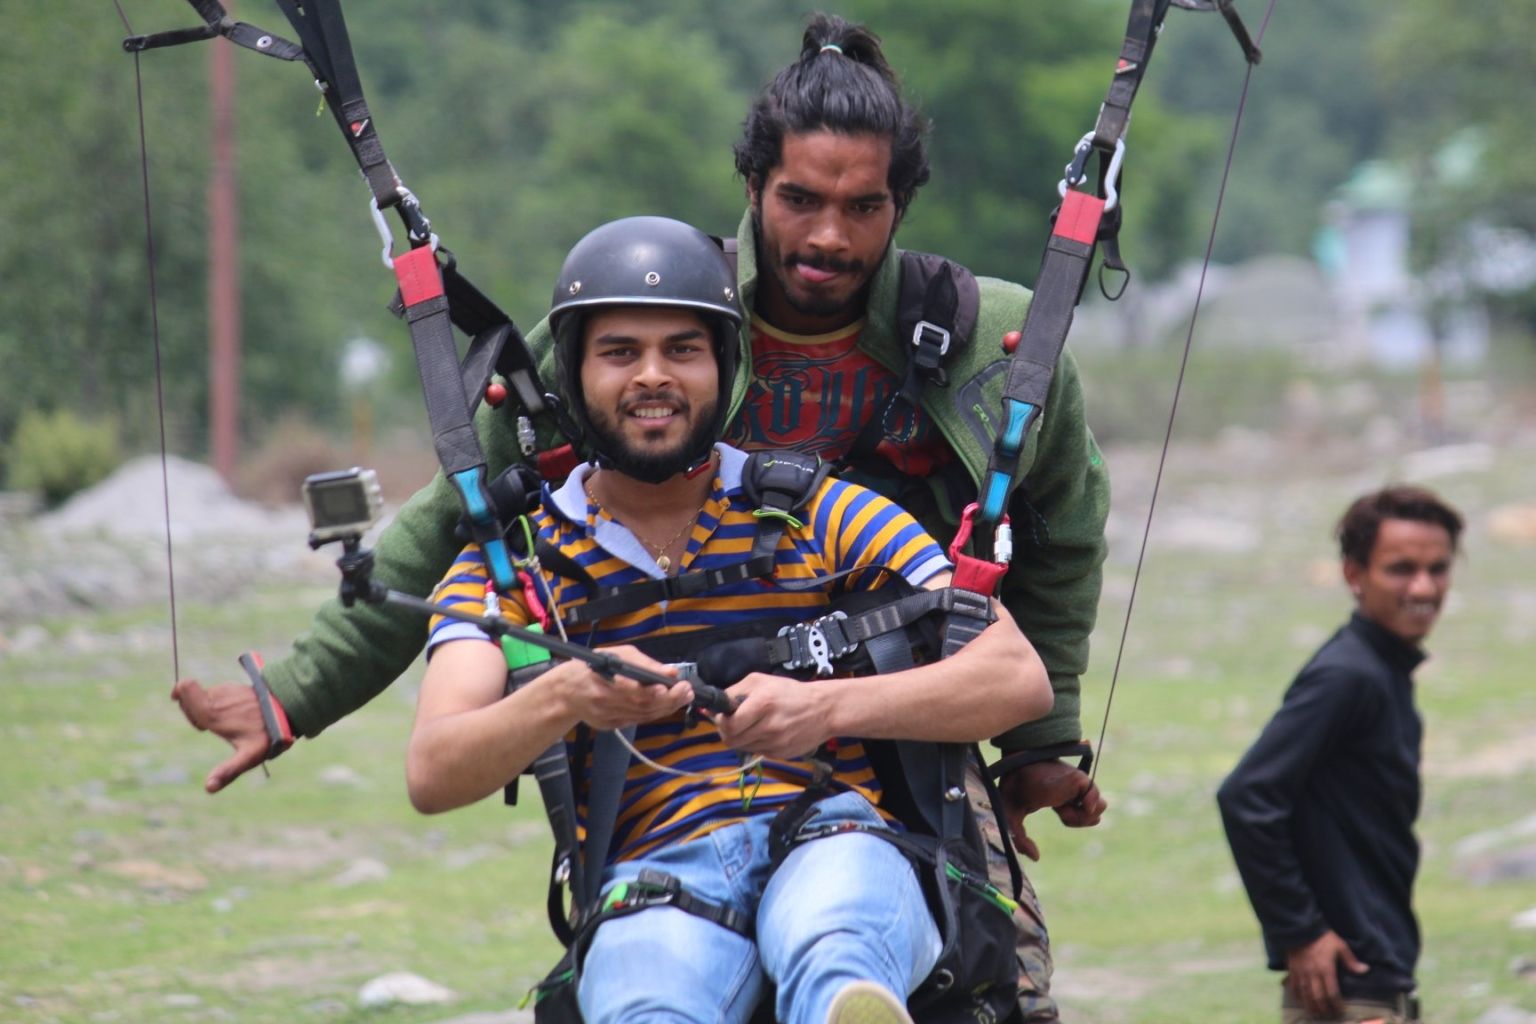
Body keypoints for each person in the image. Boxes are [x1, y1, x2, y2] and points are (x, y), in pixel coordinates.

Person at [173, 14, 1110, 1018]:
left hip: (891, 721)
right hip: (663, 759)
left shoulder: (982, 347)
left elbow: (1055, 541)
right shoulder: (648, 311)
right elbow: (460, 518)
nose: (828, 235)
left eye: (862, 206)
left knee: (976, 963)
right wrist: (300, 693)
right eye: (800, 199)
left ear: (901, 204)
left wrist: (1042, 741)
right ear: (751, 188)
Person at [409, 214, 1050, 1024]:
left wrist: (823, 709)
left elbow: (1015, 676)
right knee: (650, 1002)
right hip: (653, 880)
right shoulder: (519, 565)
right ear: (574, 373)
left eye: (682, 349)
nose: (652, 377)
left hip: (835, 837)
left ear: (724, 365)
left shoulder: (820, 511)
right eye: (619, 353)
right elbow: (433, 770)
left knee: (836, 945)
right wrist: (567, 694)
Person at [1217, 485, 1463, 1024]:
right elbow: (1247, 795)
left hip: (1373, 977)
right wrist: (1299, 932)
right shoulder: (1347, 675)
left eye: (1437, 568)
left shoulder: (1382, 671)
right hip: (1350, 985)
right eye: (1401, 568)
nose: (1423, 587)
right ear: (1355, 574)